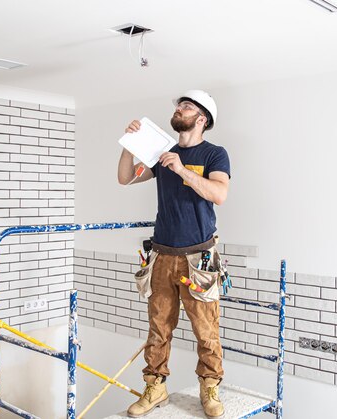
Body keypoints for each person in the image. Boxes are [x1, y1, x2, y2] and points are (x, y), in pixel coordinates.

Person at [117, 90, 231, 418]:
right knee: (158, 326)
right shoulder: (161, 151)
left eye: (186, 106)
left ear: (201, 119)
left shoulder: (214, 154)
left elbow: (219, 194)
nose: (179, 109)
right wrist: (129, 144)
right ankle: (155, 387)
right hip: (163, 254)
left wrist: (182, 170)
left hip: (199, 258)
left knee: (206, 328)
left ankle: (209, 388)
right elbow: (125, 178)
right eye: (179, 105)